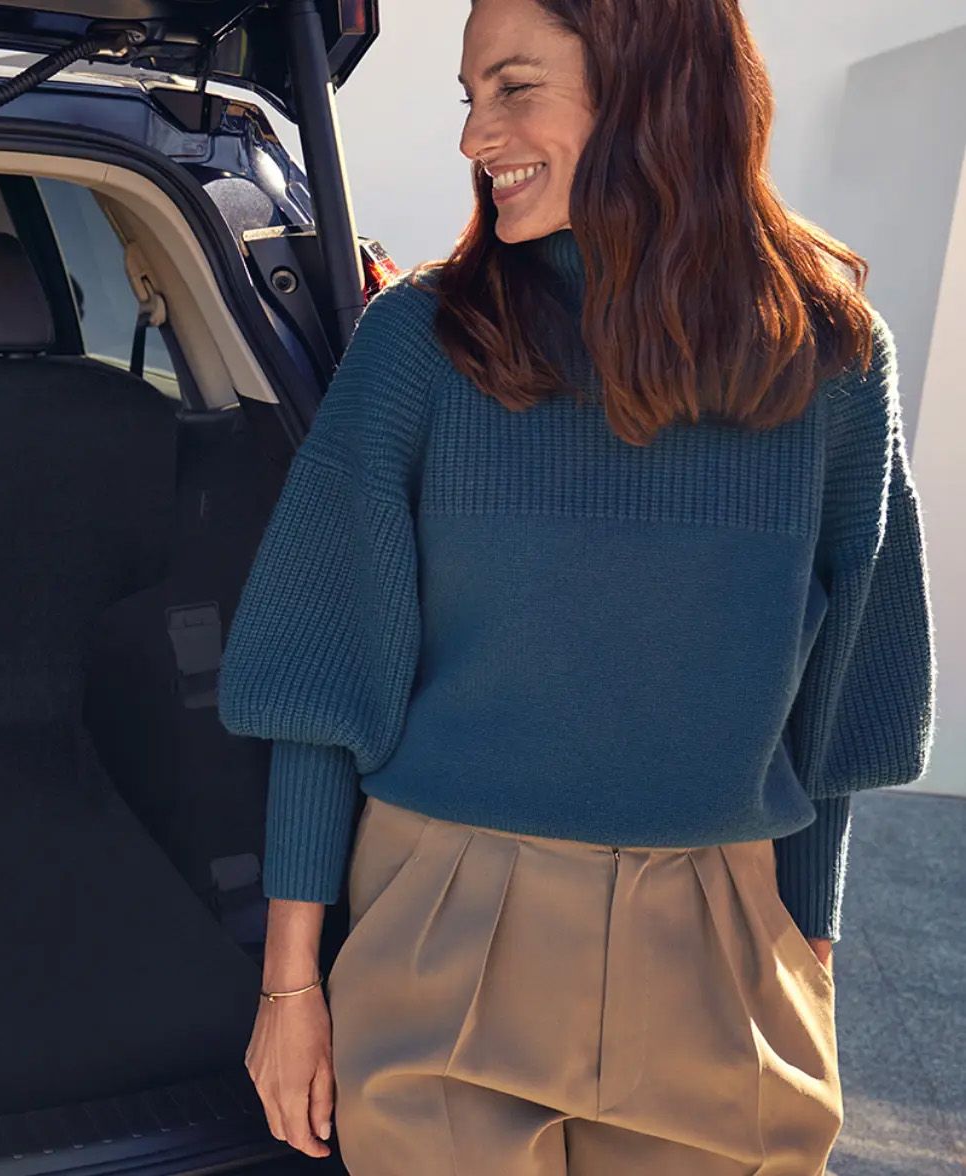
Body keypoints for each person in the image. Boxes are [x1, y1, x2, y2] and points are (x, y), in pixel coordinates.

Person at [217, 0, 933, 1172]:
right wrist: (288, 988)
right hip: (442, 925)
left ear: (654, 85)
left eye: (513, 88)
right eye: (468, 99)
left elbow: (841, 710)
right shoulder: (418, 343)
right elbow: (322, 683)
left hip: (719, 947)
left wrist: (808, 954)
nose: (472, 138)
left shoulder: (833, 356)